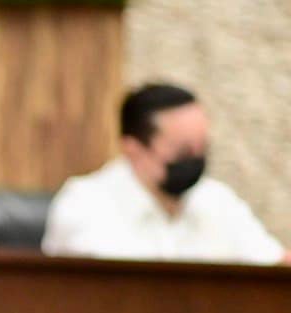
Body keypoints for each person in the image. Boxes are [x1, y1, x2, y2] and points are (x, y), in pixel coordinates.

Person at [42, 83, 288, 265]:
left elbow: (274, 265)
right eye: (183, 151)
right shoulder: (84, 206)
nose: (195, 159)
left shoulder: (217, 200)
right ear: (133, 149)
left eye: (202, 147)